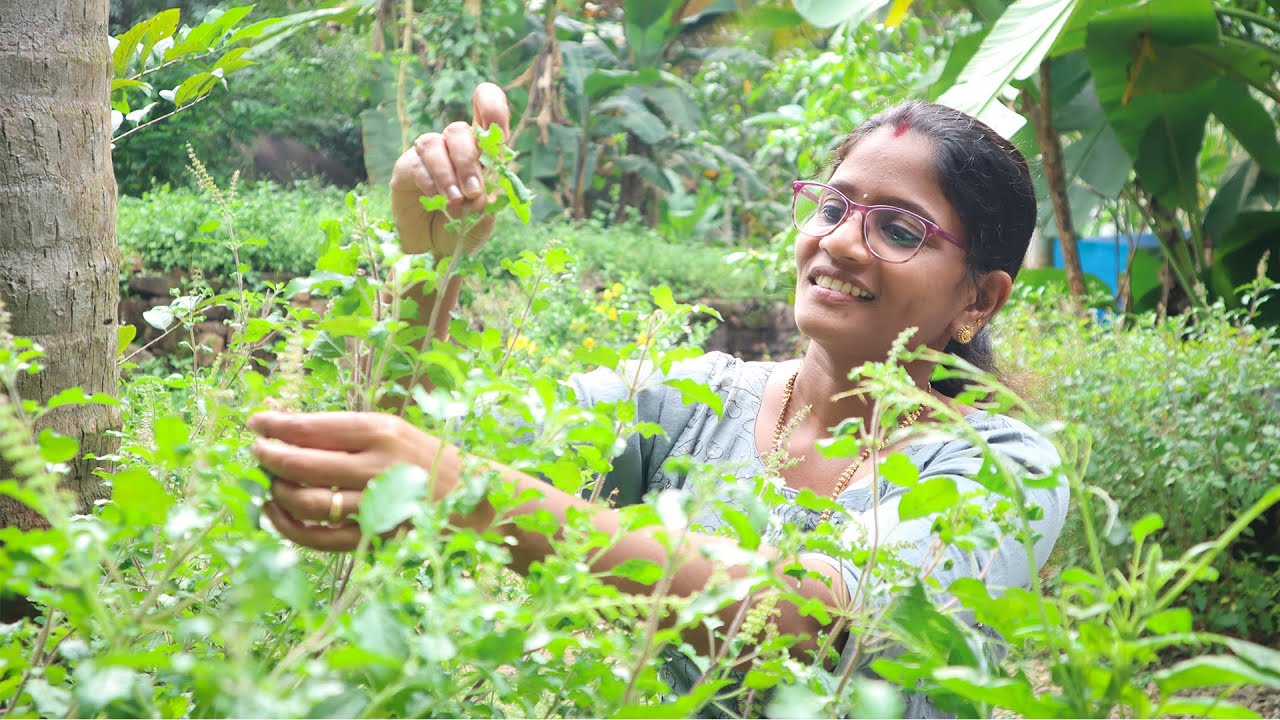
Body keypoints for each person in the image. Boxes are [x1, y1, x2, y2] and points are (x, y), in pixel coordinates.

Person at [248, 83, 1067, 716]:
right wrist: (433, 261)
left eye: (899, 230)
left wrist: (471, 492)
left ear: (979, 301)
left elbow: (812, 625)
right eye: (832, 206)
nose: (840, 241)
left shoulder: (1004, 468)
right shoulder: (688, 400)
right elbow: (421, 449)